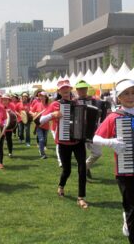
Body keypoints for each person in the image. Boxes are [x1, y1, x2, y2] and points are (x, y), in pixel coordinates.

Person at [93, 79, 134, 243]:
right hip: (125, 170)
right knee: (132, 208)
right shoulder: (114, 117)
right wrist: (111, 142)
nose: (131, 96)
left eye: (133, 93)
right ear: (119, 97)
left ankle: (128, 219)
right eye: (126, 93)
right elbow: (95, 138)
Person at [40, 79, 88, 209]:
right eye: (62, 88)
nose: (65, 90)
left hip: (78, 140)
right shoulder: (55, 104)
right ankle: (61, 185)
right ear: (59, 91)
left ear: (70, 89)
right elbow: (40, 120)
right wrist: (52, 115)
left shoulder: (78, 103)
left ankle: (81, 197)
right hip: (63, 142)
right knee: (67, 170)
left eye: (67, 88)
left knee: (82, 168)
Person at [75, 80, 103, 179]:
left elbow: (100, 113)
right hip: (78, 130)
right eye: (80, 89)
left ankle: (85, 167)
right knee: (81, 155)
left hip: (92, 130)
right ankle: (84, 171)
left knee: (97, 153)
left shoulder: (94, 100)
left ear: (87, 89)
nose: (82, 91)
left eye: (84, 89)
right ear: (77, 90)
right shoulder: (74, 101)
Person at [0, 93, 17, 168]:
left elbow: (14, 116)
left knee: (9, 139)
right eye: (3, 99)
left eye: (6, 99)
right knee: (0, 142)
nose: (5, 101)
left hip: (8, 127)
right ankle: (0, 160)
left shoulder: (12, 106)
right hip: (1, 127)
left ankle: (10, 152)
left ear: (8, 100)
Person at [31, 91, 50, 159]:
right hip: (38, 126)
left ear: (45, 97)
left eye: (43, 96)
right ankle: (42, 154)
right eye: (40, 96)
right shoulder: (37, 104)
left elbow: (51, 115)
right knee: (41, 140)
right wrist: (34, 114)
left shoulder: (48, 105)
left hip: (46, 126)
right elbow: (31, 111)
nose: (41, 97)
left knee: (44, 140)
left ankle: (41, 149)